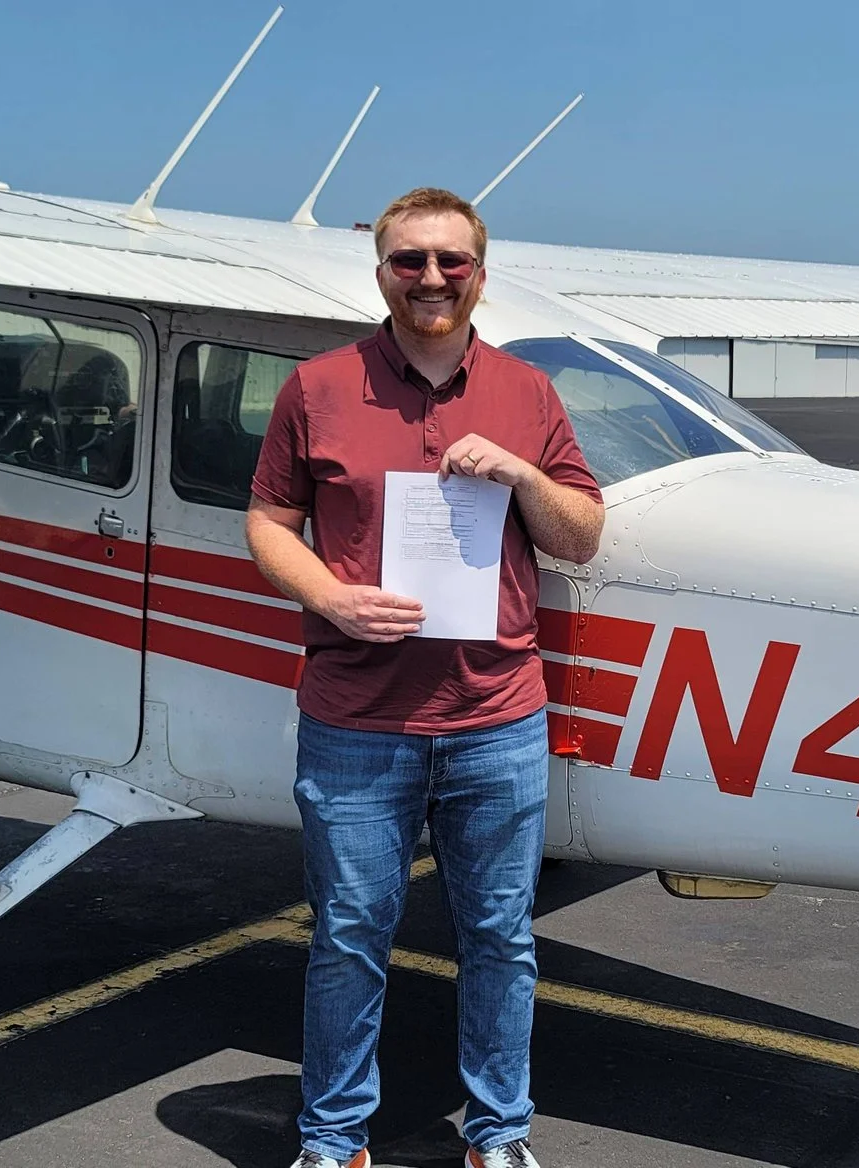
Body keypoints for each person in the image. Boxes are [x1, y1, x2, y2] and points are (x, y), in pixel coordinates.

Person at [245, 187, 606, 1168]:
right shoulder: (315, 387)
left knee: (500, 938)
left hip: (497, 719)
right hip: (357, 719)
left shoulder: (528, 394)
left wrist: (526, 478)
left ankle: (499, 1135)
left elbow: (579, 534)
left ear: (481, 273)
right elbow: (269, 520)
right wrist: (331, 596)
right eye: (409, 261)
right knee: (349, 936)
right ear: (381, 274)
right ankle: (331, 1141)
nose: (432, 278)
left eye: (452, 260)